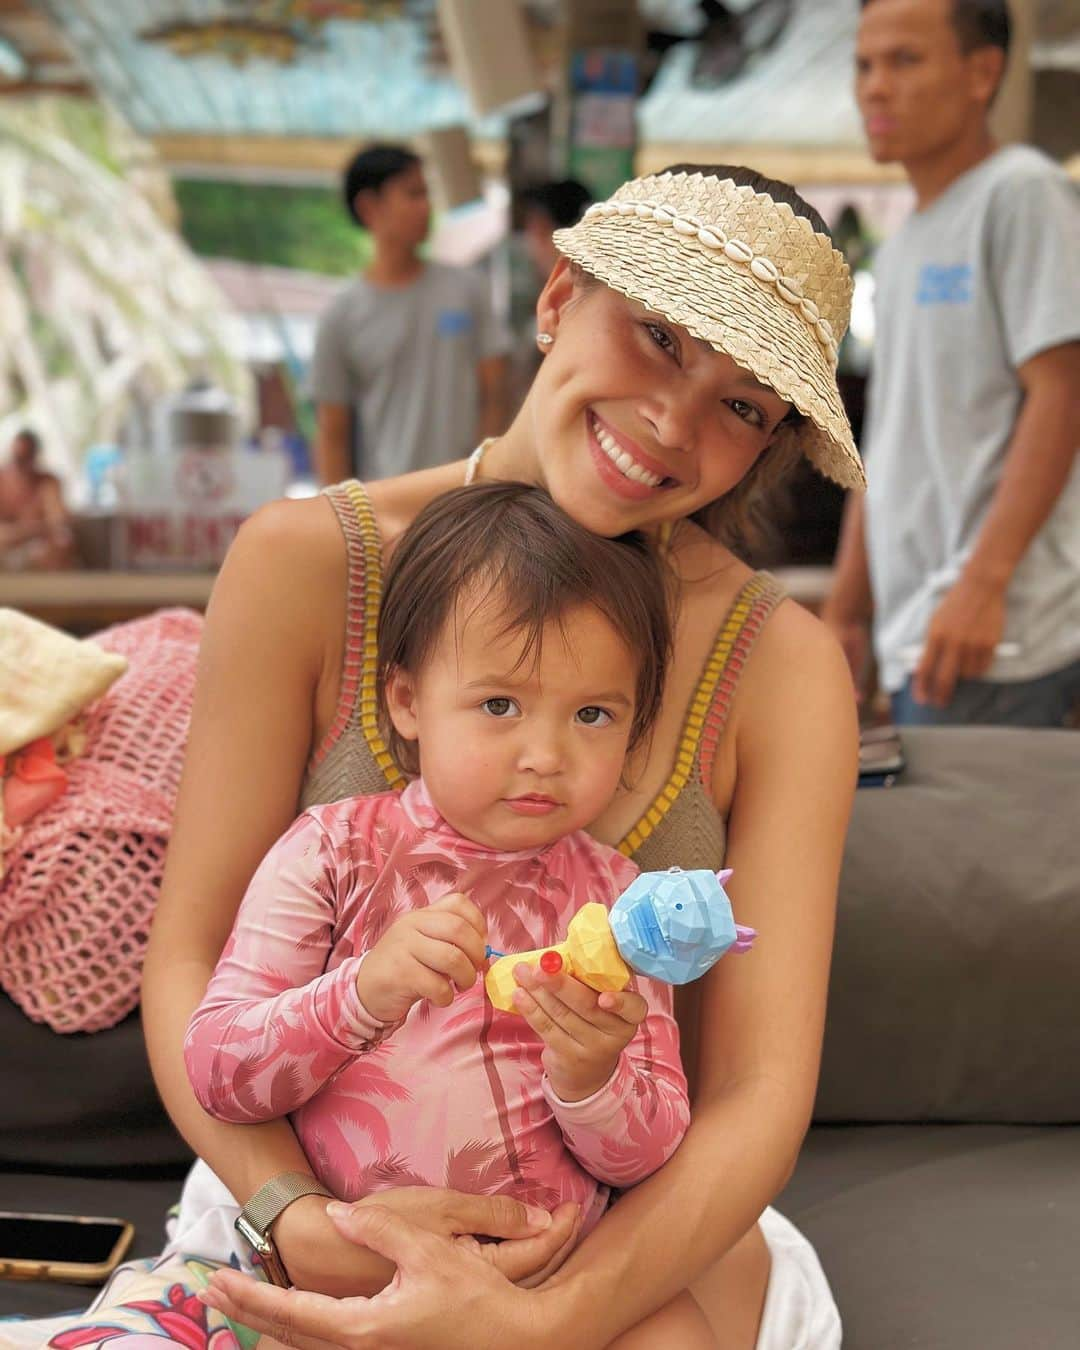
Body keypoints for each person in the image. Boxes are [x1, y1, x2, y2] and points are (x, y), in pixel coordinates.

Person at [16, 163, 864, 1350]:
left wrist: (543, 1320)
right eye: (659, 337)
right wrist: (296, 1216)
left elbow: (757, 1096)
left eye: (742, 405)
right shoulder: (308, 564)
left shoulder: (779, 668)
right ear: (559, 296)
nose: (676, 420)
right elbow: (194, 961)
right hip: (315, 1210)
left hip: (627, 1246)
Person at [185, 481, 712, 1343]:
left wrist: (592, 1079)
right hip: (349, 1286)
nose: (545, 755)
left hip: (546, 1293)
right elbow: (218, 1070)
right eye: (499, 705)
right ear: (406, 702)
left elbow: (650, 1153)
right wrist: (361, 995)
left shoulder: (621, 902)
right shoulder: (334, 853)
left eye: (592, 714)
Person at [824, 0, 1080, 727]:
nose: (874, 87)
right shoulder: (905, 244)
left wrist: (984, 583)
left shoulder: (1023, 193)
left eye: (905, 61)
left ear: (983, 73)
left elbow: (1063, 395)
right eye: (864, 65)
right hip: (918, 632)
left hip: (1000, 634)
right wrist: (848, 608)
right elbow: (892, 442)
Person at [310, 143, 509, 486]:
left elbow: (496, 392)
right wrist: (341, 522)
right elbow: (332, 434)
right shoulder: (340, 317)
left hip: (463, 503)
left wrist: (483, 488)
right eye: (413, 194)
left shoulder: (467, 290)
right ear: (369, 207)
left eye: (427, 193)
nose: (427, 207)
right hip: (386, 507)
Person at [0, 428, 74, 570]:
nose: (19, 464)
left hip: (37, 548)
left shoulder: (47, 482)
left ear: (35, 457)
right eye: (16, 457)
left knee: (63, 542)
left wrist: (22, 531)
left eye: (25, 457)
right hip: (6, 546)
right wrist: (31, 529)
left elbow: (59, 522)